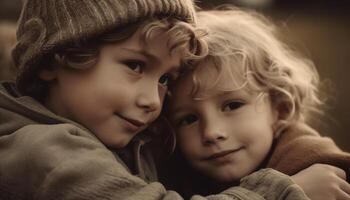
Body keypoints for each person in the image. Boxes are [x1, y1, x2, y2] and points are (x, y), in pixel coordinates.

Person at [0, 1, 313, 200]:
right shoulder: (43, 152)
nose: (153, 101)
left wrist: (313, 157)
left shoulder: (113, 126)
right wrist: (285, 190)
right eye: (135, 65)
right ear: (54, 61)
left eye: (165, 79)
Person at [161, 8, 350, 200]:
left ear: (279, 107)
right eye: (188, 119)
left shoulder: (320, 169)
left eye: (233, 105)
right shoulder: (172, 177)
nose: (211, 132)